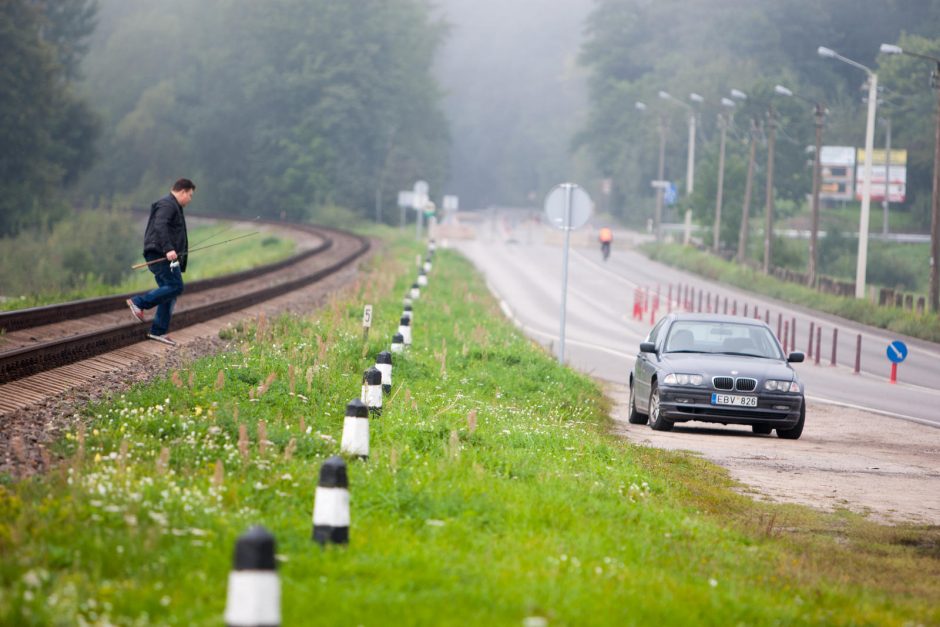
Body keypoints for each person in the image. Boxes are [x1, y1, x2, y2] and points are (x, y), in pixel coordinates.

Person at [126, 179, 195, 346]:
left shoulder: (173, 206)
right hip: (161, 254)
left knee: (169, 293)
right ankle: (138, 302)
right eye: (190, 195)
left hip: (165, 255)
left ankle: (158, 331)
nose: (190, 199)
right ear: (183, 191)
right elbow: (160, 225)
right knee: (176, 286)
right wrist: (169, 248)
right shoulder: (167, 204)